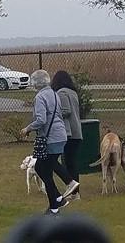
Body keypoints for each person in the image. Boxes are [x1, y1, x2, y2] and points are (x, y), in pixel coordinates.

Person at [21, 70, 79, 215]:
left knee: (45, 166)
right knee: (43, 168)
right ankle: (56, 203)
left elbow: (41, 120)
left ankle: (69, 183)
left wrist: (27, 128)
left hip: (51, 137)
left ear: (36, 83)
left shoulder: (40, 97)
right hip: (61, 134)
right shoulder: (54, 93)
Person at [52, 70, 82, 200]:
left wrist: (53, 114)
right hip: (77, 133)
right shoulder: (73, 92)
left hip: (68, 133)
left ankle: (72, 188)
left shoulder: (62, 93)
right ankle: (75, 192)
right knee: (71, 162)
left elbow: (66, 111)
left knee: (61, 161)